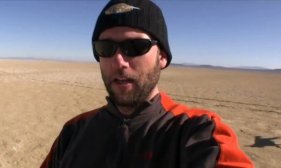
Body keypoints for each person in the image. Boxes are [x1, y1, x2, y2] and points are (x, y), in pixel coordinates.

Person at [41, 0, 254, 167]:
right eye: (106, 48)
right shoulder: (74, 131)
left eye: (135, 46)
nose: (119, 61)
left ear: (162, 56)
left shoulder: (197, 132)